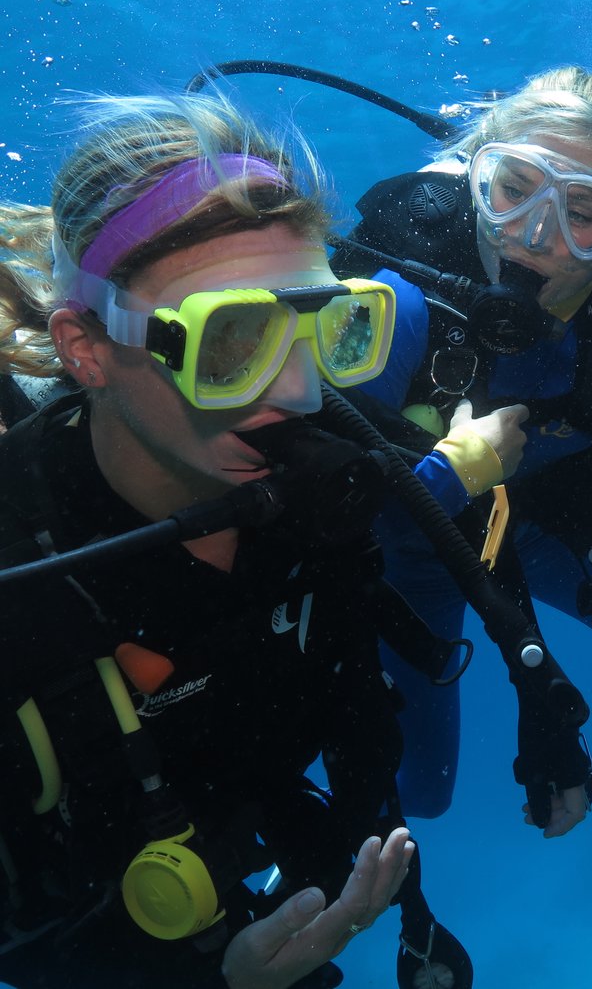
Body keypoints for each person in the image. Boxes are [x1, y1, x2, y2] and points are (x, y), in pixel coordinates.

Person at [0, 91, 462, 988]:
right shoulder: (20, 577)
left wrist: (355, 859)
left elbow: (354, 691)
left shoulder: (323, 472)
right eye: (227, 344)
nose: (293, 394)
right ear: (86, 349)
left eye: (326, 328)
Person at [329, 65, 592, 820]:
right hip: (414, 554)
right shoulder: (399, 302)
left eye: (584, 213)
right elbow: (338, 506)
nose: (536, 235)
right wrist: (454, 472)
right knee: (427, 793)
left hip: (541, 525)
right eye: (514, 190)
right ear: (477, 177)